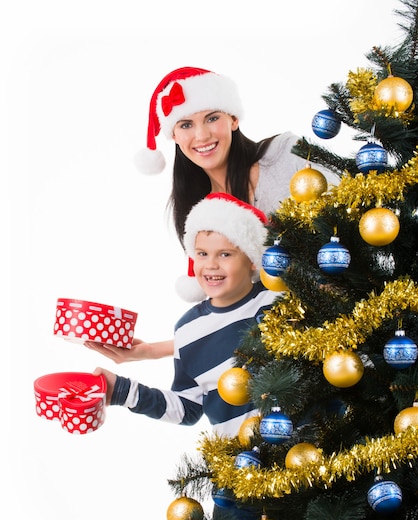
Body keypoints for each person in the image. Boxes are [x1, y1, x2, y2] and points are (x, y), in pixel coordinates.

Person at [86, 66, 340, 363]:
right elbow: (234, 313)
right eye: (185, 124)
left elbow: (351, 211)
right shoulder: (201, 216)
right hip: (296, 358)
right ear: (174, 136)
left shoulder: (286, 156)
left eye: (212, 118)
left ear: (233, 119)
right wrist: (150, 352)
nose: (202, 135)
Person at [93, 192, 282, 438]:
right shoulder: (187, 329)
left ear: (252, 259)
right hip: (245, 465)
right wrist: (121, 390)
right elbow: (187, 408)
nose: (211, 265)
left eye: (225, 254)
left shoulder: (275, 297)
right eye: (202, 254)